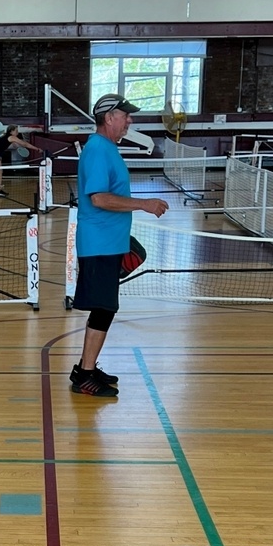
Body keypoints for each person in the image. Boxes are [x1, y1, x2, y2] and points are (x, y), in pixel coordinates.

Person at [71, 94, 169, 398]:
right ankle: (84, 376)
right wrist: (145, 204)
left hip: (109, 242)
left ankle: (85, 367)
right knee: (104, 309)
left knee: (105, 309)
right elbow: (99, 198)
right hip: (99, 244)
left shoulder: (107, 148)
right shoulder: (99, 150)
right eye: (125, 115)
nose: (130, 121)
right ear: (108, 117)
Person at [0, 125, 40, 196]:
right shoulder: (12, 137)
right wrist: (37, 149)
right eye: (16, 131)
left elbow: (9, 143)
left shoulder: (4, 135)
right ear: (11, 131)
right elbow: (24, 144)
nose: (17, 133)